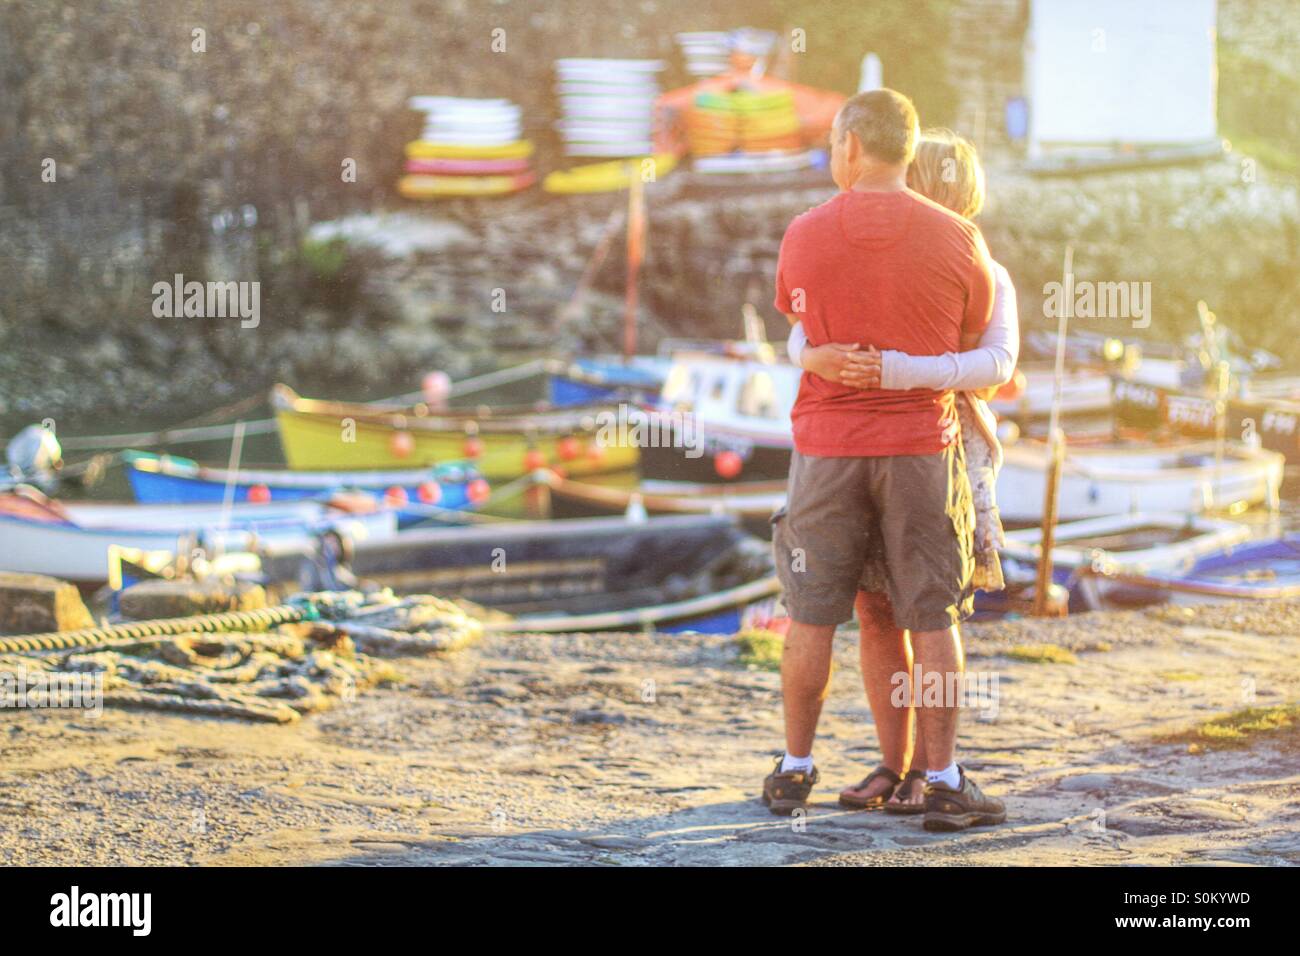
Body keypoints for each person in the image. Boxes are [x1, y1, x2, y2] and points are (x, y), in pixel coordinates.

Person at [762, 90, 1006, 832]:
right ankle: (941, 779)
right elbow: (972, 345)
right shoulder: (960, 241)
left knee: (811, 615)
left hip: (827, 450)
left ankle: (796, 768)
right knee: (932, 616)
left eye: (836, 142)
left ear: (853, 146)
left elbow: (799, 325)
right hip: (918, 451)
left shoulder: (804, 232)